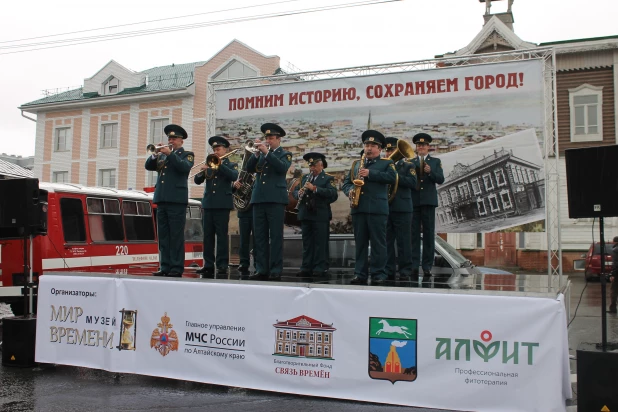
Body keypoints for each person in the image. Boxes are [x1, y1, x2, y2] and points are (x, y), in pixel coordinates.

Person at [341, 130, 397, 286]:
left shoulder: (387, 163)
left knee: (379, 243)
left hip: (377, 209)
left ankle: (379, 273)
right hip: (359, 208)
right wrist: (349, 191)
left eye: (373, 145)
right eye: (367, 145)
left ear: (380, 149)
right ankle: (360, 273)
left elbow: (392, 178)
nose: (369, 148)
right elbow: (346, 183)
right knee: (360, 243)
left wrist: (370, 173)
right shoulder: (356, 164)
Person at [145, 124, 194, 277]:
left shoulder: (187, 154)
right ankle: (164, 266)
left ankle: (176, 267)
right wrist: (155, 154)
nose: (171, 141)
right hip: (162, 199)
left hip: (176, 200)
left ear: (181, 141)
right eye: (169, 138)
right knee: (163, 235)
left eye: (174, 138)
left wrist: (170, 153)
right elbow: (148, 166)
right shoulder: (162, 156)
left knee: (175, 235)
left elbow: (184, 168)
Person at [246, 123, 292, 281]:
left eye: (271, 138)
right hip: (258, 199)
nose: (268, 140)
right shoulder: (261, 153)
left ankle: (275, 269)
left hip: (275, 200)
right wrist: (256, 154)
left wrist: (267, 153)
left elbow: (281, 168)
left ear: (278, 139)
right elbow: (249, 168)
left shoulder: (285, 154)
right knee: (259, 236)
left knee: (276, 236)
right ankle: (261, 269)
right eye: (266, 138)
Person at [194, 136, 238, 278]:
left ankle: (222, 265)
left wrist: (219, 165)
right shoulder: (209, 163)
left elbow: (233, 176)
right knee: (207, 237)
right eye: (214, 149)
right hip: (208, 204)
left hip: (222, 205)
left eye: (218, 149)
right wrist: (202, 170)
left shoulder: (230, 164)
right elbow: (197, 180)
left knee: (222, 236)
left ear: (225, 149)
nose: (216, 151)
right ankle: (208, 264)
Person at [294, 152, 338, 279]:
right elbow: (296, 192)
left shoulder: (327, 178)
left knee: (320, 243)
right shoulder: (304, 178)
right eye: (310, 166)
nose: (312, 168)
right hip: (306, 214)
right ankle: (306, 267)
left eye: (314, 166)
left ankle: (320, 267)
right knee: (307, 243)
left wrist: (315, 189)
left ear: (321, 166)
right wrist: (298, 193)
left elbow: (333, 194)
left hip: (320, 215)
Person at [409, 133, 445, 287]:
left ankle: (427, 266)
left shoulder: (435, 161)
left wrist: (430, 172)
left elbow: (440, 179)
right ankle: (414, 265)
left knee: (429, 234)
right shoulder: (410, 162)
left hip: (429, 202)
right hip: (414, 202)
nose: (421, 148)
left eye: (423, 145)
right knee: (414, 235)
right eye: (418, 145)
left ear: (428, 146)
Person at [384, 137, 417, 286]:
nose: (389, 152)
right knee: (387, 241)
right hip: (386, 208)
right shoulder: (383, 166)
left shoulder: (407, 165)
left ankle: (405, 271)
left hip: (403, 208)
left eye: (391, 150)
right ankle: (389, 270)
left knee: (404, 242)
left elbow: (412, 182)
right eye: (387, 150)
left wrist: (395, 177)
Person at [608, 236, 618, 314]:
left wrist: (613, 274)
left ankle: (613, 308)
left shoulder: (615, 250)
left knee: (613, 290)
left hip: (617, 273)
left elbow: (615, 263)